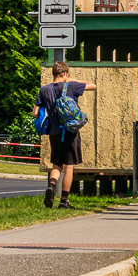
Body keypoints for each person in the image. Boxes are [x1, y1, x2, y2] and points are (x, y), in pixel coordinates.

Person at [35, 61, 96, 209]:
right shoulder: (71, 86)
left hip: (54, 133)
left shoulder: (44, 89)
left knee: (57, 164)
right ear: (64, 74)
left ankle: (51, 186)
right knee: (69, 167)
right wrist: (73, 80)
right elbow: (93, 85)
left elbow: (35, 112)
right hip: (70, 132)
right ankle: (64, 201)